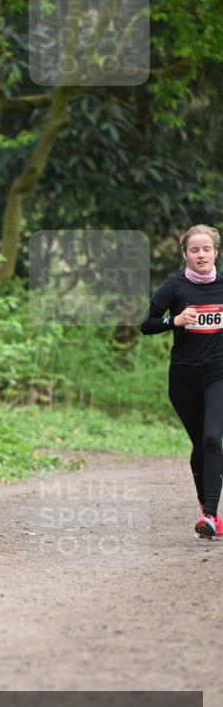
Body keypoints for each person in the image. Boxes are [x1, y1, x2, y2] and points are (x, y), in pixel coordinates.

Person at [141, 224, 223, 538]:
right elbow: (147, 324)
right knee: (201, 445)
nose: (201, 255)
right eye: (194, 250)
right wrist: (173, 321)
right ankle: (206, 506)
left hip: (218, 375)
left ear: (215, 252)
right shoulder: (174, 287)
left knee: (212, 439)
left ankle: (211, 515)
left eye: (206, 249)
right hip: (184, 379)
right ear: (186, 254)